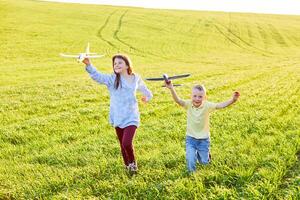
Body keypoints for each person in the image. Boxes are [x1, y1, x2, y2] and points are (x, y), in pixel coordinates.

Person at [83, 54, 153, 174]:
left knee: (127, 142)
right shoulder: (112, 79)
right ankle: (128, 167)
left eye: (120, 62)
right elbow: (98, 76)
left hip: (131, 116)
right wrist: (88, 65)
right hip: (118, 116)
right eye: (115, 63)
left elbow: (145, 90)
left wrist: (147, 97)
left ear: (127, 64)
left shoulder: (135, 78)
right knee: (122, 145)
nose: (117, 65)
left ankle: (133, 165)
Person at [165, 82, 239, 173]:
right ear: (191, 96)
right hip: (191, 138)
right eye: (195, 96)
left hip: (203, 140)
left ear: (204, 97)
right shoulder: (188, 104)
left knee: (204, 162)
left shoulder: (207, 106)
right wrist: (171, 88)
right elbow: (178, 100)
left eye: (200, 97)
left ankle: (206, 156)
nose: (197, 99)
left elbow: (220, 105)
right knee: (190, 158)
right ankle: (191, 174)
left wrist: (233, 100)